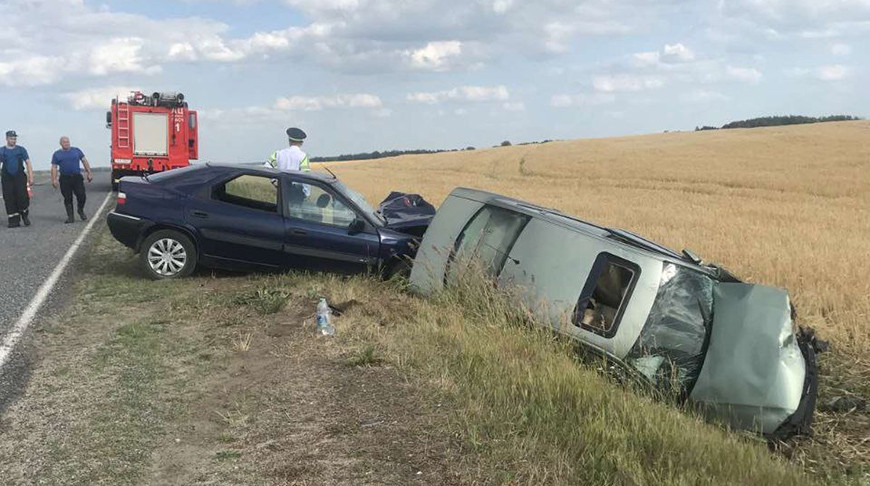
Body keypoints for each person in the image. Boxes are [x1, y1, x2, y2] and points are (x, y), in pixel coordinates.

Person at [50, 136, 93, 223]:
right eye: (64, 142)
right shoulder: (57, 154)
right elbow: (54, 167)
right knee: (67, 198)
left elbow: (84, 160)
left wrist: (89, 172)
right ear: (61, 144)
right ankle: (70, 217)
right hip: (65, 179)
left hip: (76, 177)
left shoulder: (76, 151)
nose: (66, 143)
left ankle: (80, 210)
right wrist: (54, 179)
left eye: (67, 142)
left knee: (81, 196)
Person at [0, 130, 34, 228]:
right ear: (7, 139)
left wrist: (31, 177)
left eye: (14, 139)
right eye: (11, 138)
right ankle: (13, 220)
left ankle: (24, 215)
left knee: (22, 197)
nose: (13, 140)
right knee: (9, 198)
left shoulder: (21, 150)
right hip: (7, 178)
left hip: (19, 177)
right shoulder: (2, 151)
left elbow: (28, 163)